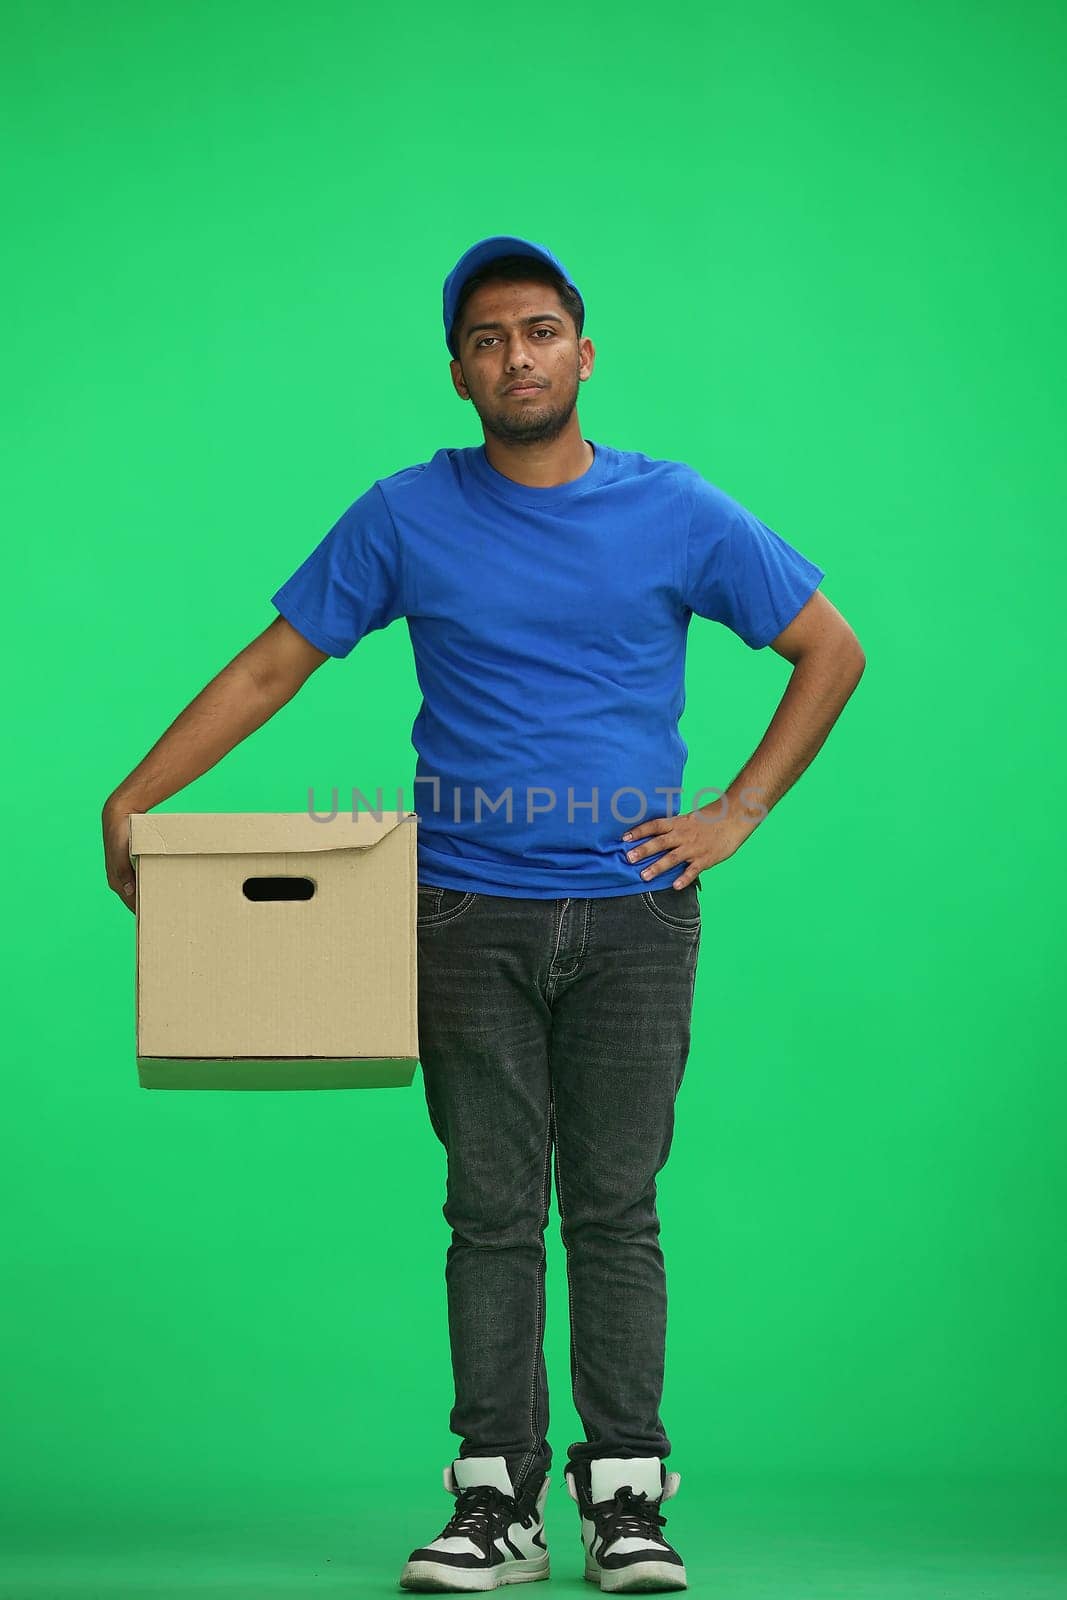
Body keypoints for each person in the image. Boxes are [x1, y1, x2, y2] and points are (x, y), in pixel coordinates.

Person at [102, 234, 865, 1595]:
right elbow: (278, 665)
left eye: (539, 329)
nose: (516, 355)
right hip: (460, 913)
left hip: (636, 917)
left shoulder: (677, 510)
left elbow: (828, 648)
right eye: (486, 339)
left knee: (618, 1209)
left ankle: (626, 1499)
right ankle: (494, 1501)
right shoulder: (407, 516)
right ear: (457, 372)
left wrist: (735, 812)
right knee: (493, 1211)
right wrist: (136, 798)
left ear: (584, 348)